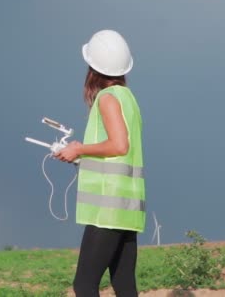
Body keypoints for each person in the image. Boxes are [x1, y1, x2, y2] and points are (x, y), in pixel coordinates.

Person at [54, 29, 146, 297]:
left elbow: (119, 145)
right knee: (124, 283)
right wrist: (83, 154)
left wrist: (79, 148)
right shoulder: (128, 98)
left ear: (92, 65)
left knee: (84, 284)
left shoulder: (106, 99)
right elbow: (121, 149)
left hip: (108, 207)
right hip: (128, 206)